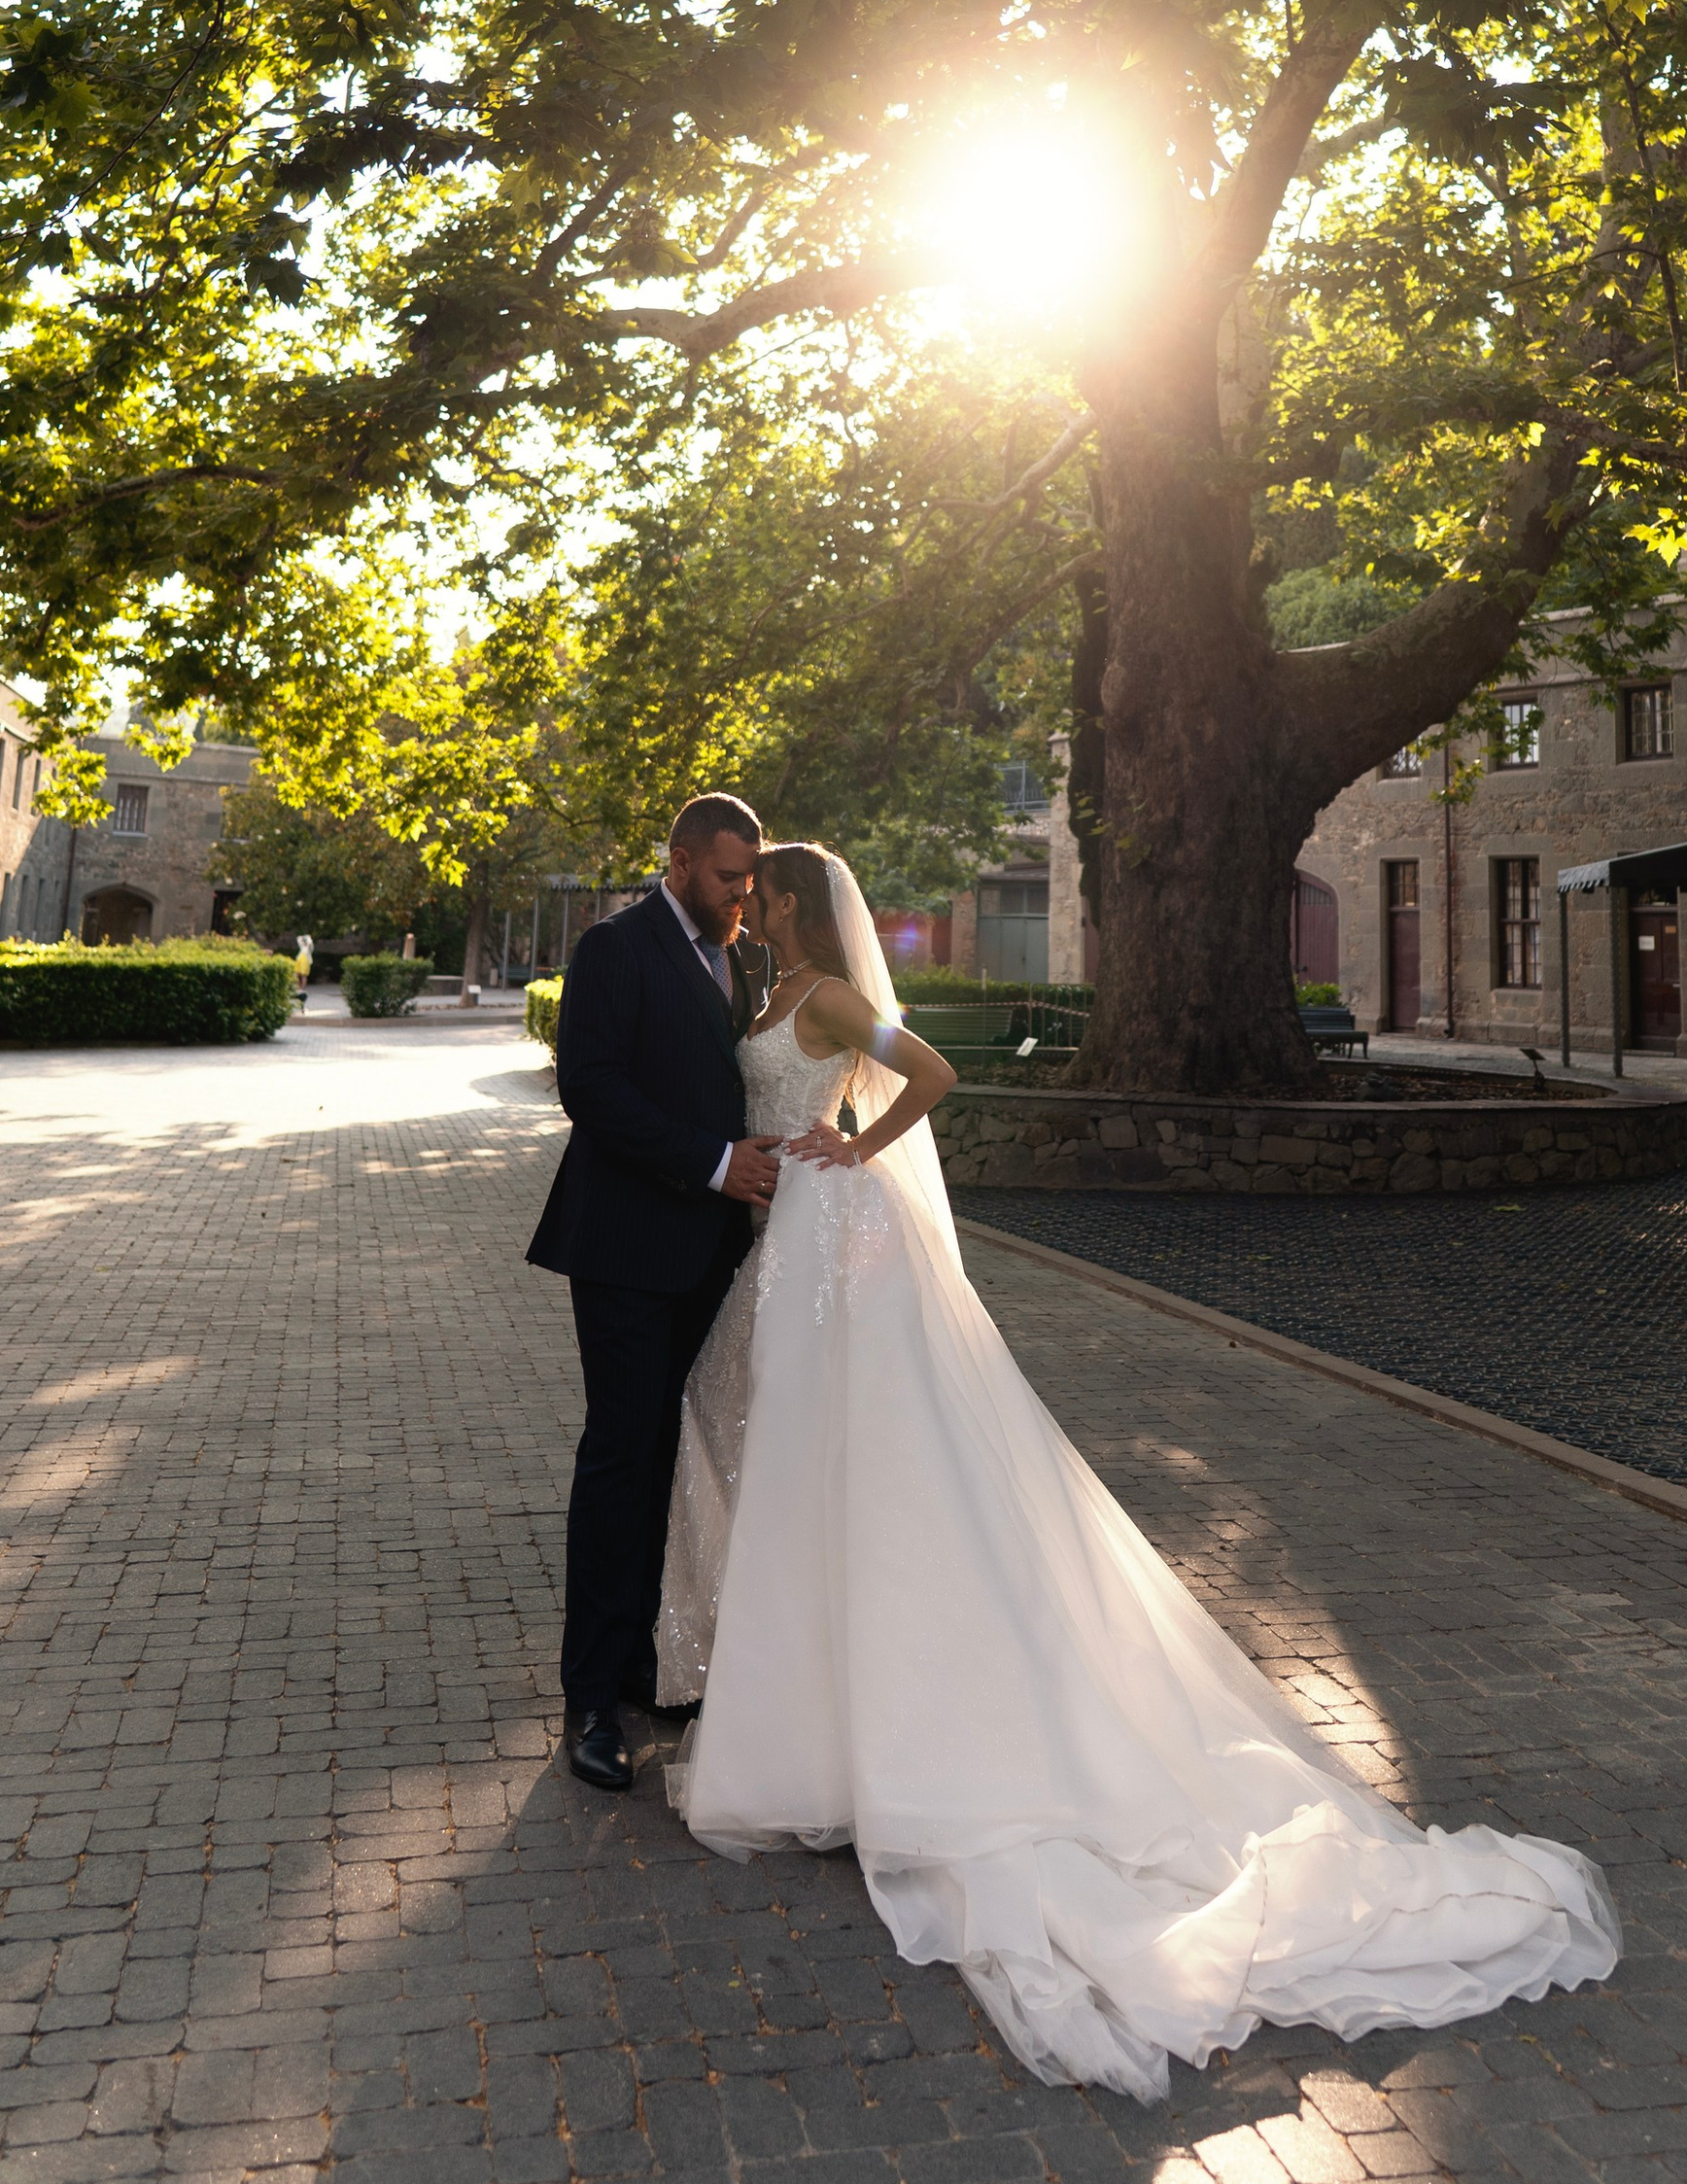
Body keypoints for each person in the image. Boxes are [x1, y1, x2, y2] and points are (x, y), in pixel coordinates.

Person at [654, 840, 1621, 2103]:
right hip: (791, 1238)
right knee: (780, 1452)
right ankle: (807, 1717)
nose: (748, 904)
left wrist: (854, 1144)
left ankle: (876, 1728)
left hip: (841, 1232)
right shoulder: (770, 991)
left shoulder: (830, 997)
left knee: (843, 1455)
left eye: (761, 891)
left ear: (787, 901)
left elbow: (931, 1073)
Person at [526, 794, 778, 1793]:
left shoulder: (744, 957)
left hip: (713, 1256)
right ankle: (590, 1697)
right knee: (622, 1456)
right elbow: (588, 1087)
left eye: (750, 877)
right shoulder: (614, 948)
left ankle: (646, 1659)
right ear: (678, 860)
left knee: (677, 1458)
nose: (741, 893)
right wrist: (714, 1164)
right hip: (625, 1248)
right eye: (727, 875)